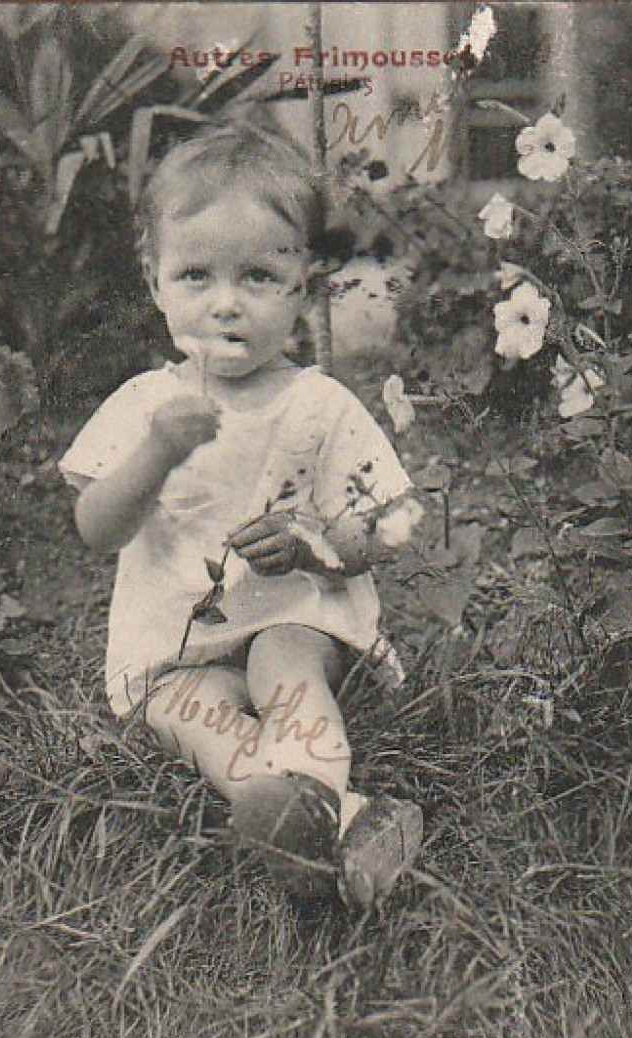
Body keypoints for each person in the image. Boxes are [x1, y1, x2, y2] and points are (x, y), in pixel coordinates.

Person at [59, 122, 424, 910]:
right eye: (195, 276)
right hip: (176, 652)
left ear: (303, 288)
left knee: (282, 655)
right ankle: (328, 820)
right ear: (154, 281)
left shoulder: (318, 405)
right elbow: (96, 527)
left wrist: (320, 545)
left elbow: (394, 521)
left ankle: (309, 796)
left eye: (258, 277)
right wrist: (155, 454)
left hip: (297, 621)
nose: (225, 304)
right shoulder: (147, 407)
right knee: (190, 714)